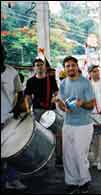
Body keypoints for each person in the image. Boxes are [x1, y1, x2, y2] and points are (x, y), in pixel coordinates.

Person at [56, 56, 96, 194]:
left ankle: (84, 181)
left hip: (83, 125)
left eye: (73, 65)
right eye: (67, 66)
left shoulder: (85, 83)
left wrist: (82, 103)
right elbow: (61, 103)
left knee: (80, 155)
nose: (70, 68)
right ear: (64, 68)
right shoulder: (63, 84)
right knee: (68, 155)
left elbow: (91, 105)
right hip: (68, 124)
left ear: (77, 66)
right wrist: (62, 106)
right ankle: (71, 182)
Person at [24, 58, 62, 167]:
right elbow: (27, 97)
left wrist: (55, 97)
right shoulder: (30, 81)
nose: (39, 67)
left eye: (41, 65)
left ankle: (59, 159)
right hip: (38, 111)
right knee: (40, 137)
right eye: (37, 65)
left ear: (44, 67)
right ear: (34, 68)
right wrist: (28, 111)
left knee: (57, 134)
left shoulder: (51, 79)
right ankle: (42, 160)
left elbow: (56, 92)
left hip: (51, 110)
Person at [1, 43, 28, 191]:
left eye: (2, 53)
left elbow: (20, 92)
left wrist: (19, 108)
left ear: (4, 55)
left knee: (12, 152)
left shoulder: (12, 72)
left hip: (9, 118)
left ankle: (12, 179)